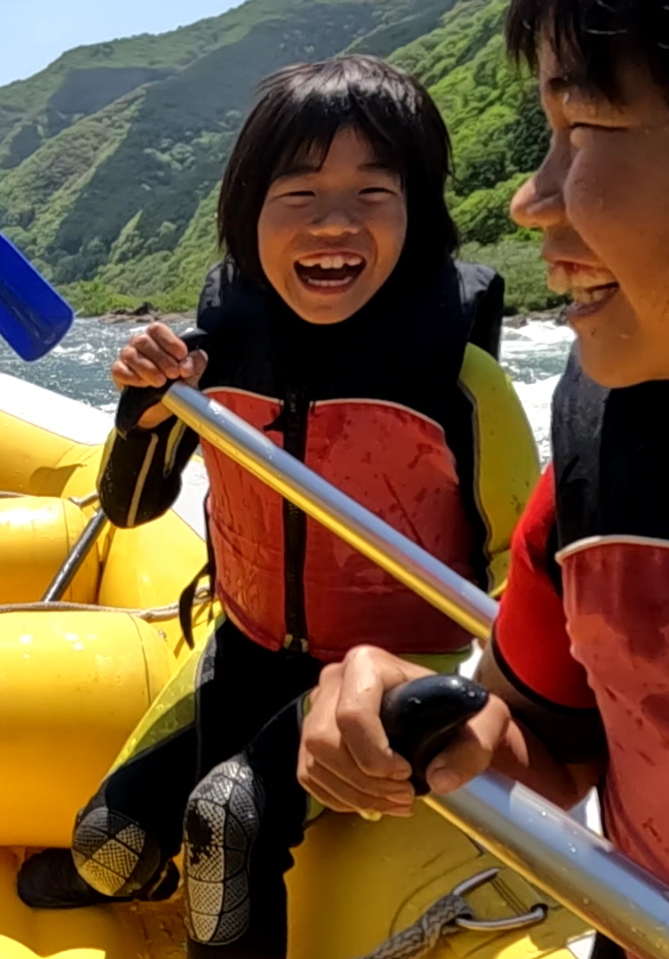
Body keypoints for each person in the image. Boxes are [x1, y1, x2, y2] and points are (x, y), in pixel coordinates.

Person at [15, 56, 541, 958]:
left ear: (416, 215)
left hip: (395, 670)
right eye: (297, 194)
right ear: (247, 216)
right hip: (249, 648)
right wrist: (144, 413)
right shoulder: (212, 362)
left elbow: (524, 586)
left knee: (226, 819)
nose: (333, 222)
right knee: (109, 847)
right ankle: (145, 871)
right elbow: (131, 507)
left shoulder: (463, 383)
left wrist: (478, 707)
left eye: (373, 192)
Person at [295, 3, 669, 957]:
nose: (530, 198)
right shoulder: (603, 430)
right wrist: (431, 717)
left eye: (583, 128)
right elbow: (546, 736)